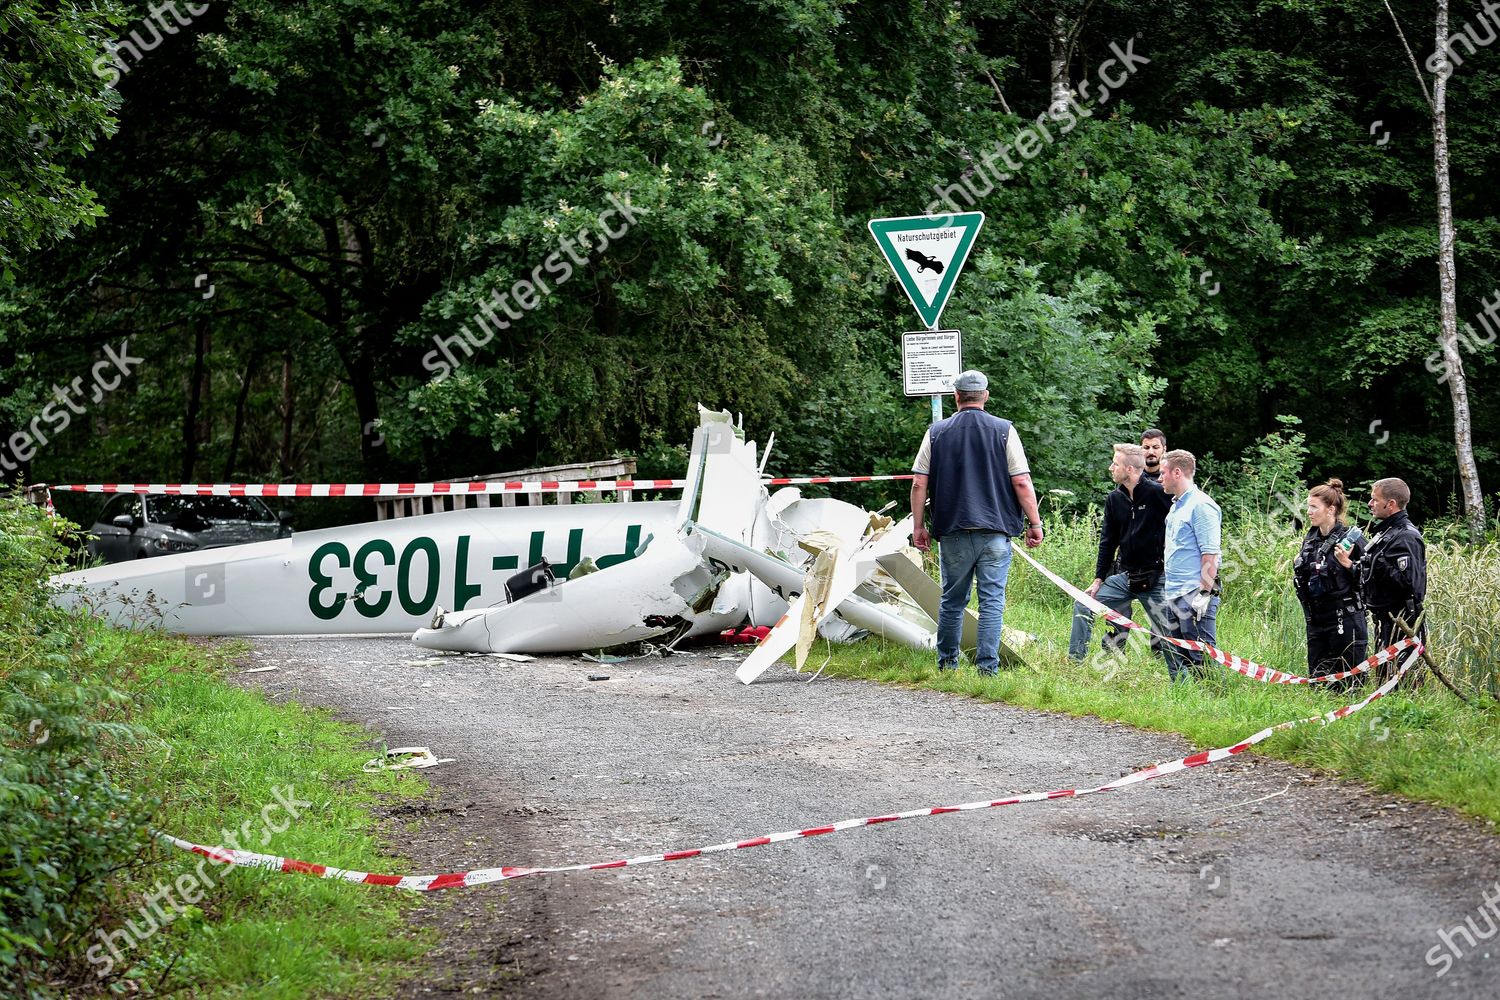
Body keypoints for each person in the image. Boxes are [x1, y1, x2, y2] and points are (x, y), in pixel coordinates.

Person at [910, 370, 1044, 675]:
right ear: (985, 395)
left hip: (953, 531)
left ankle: (947, 666)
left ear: (956, 396)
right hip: (995, 532)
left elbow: (919, 483)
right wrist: (1034, 524)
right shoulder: (1004, 430)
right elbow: (1021, 481)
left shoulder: (936, 432)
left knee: (952, 601)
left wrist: (919, 527)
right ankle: (987, 669)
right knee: (992, 602)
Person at [1068, 444, 1172, 661]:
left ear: (1131, 469)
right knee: (1083, 603)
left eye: (1115, 463)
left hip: (1157, 576)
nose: (1110, 468)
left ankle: (1181, 673)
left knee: (1168, 633)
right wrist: (1098, 580)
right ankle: (1075, 661)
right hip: (1125, 576)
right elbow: (1107, 542)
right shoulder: (1115, 499)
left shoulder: (1158, 494)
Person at [1333, 477, 1426, 682]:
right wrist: (1350, 564)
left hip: (1403, 620)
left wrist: (1378, 562)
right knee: (1384, 679)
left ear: (1390, 504)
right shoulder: (1386, 532)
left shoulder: (1406, 536)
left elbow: (1410, 584)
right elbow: (1374, 575)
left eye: (1375, 499)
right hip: (1384, 618)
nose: (1370, 503)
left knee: (1405, 682)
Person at [1292, 479, 1367, 686]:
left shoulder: (1352, 539)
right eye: (1308, 506)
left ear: (1330, 509)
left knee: (1349, 684)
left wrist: (1348, 564)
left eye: (1314, 507)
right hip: (1316, 620)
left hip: (1345, 618)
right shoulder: (1311, 539)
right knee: (1319, 683)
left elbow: (1372, 579)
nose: (1309, 511)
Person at [1158, 449, 1221, 681]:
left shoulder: (1201, 506)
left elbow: (1210, 554)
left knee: (1201, 656)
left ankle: (1217, 701)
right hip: (1174, 591)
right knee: (1182, 654)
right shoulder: (1176, 507)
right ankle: (1194, 703)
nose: (1159, 478)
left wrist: (1204, 592)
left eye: (1163, 473)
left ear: (1177, 472)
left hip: (1194, 592)